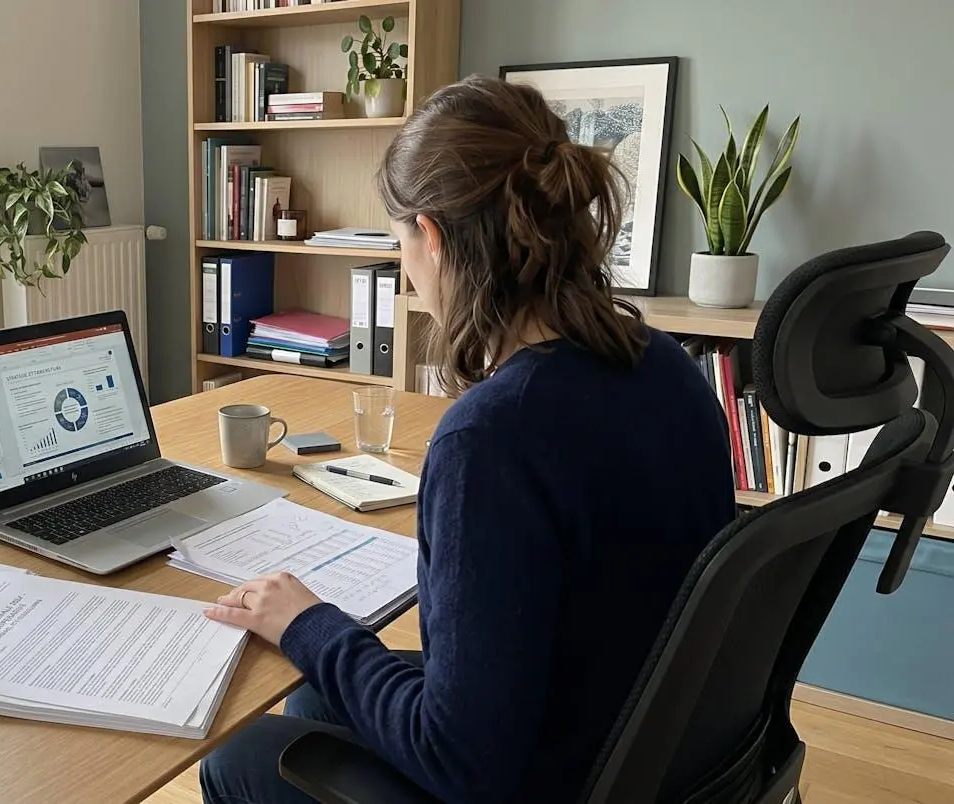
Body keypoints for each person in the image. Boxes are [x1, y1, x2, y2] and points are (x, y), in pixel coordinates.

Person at [198, 75, 737, 803]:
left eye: (399, 244)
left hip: (550, 774)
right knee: (316, 701)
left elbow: (464, 764)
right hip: (646, 738)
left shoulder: (492, 439)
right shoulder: (664, 362)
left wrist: (310, 624)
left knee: (242, 757)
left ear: (432, 236)